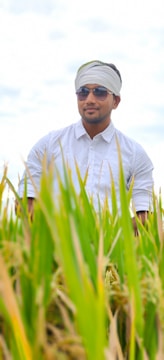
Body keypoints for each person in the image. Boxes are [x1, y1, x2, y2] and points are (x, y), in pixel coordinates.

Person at [16, 60, 154, 231]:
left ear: (116, 101)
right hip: (56, 248)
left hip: (110, 252)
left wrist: (108, 235)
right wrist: (62, 235)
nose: (89, 99)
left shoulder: (134, 154)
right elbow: (25, 200)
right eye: (83, 92)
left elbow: (146, 215)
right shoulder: (49, 145)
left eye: (100, 92)